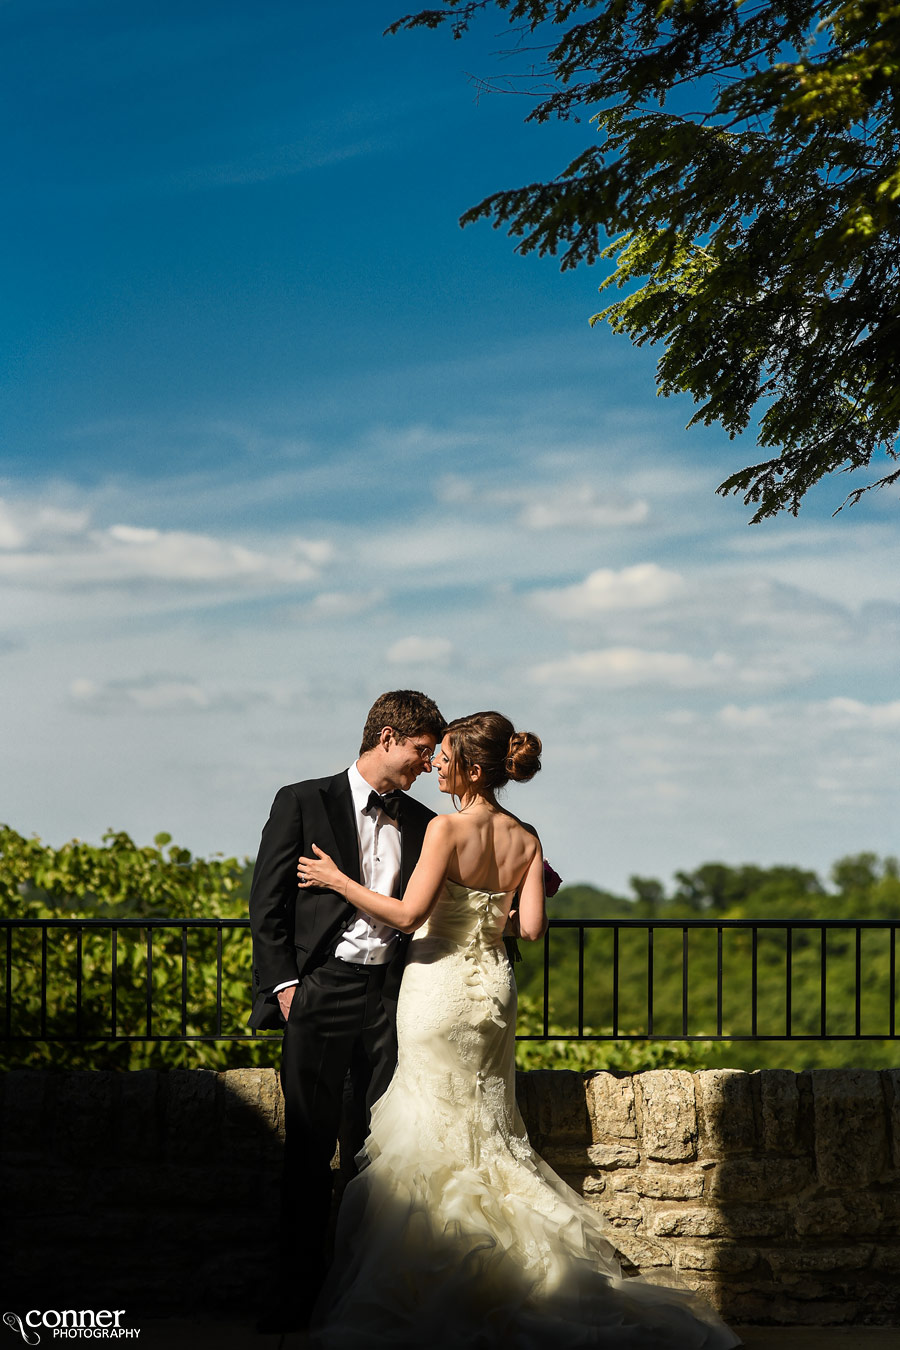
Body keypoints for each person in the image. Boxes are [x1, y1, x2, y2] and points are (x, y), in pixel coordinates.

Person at [296, 711, 741, 1349]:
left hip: (438, 988)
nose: (436, 767)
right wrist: (484, 918)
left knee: (430, 1128)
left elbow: (406, 913)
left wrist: (338, 880)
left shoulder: (446, 828)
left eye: (445, 757)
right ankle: (526, 1272)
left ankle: (434, 1283)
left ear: (473, 768)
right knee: (489, 1126)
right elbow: (529, 928)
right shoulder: (527, 837)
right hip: (493, 992)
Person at [247, 688, 446, 1329]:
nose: (426, 765)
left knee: (376, 1150)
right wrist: (285, 988)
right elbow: (268, 903)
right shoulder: (302, 800)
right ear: (387, 738)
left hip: (391, 997)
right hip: (320, 992)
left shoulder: (420, 821)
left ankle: (362, 1301)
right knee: (307, 1147)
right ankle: (294, 1301)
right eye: (420, 751)